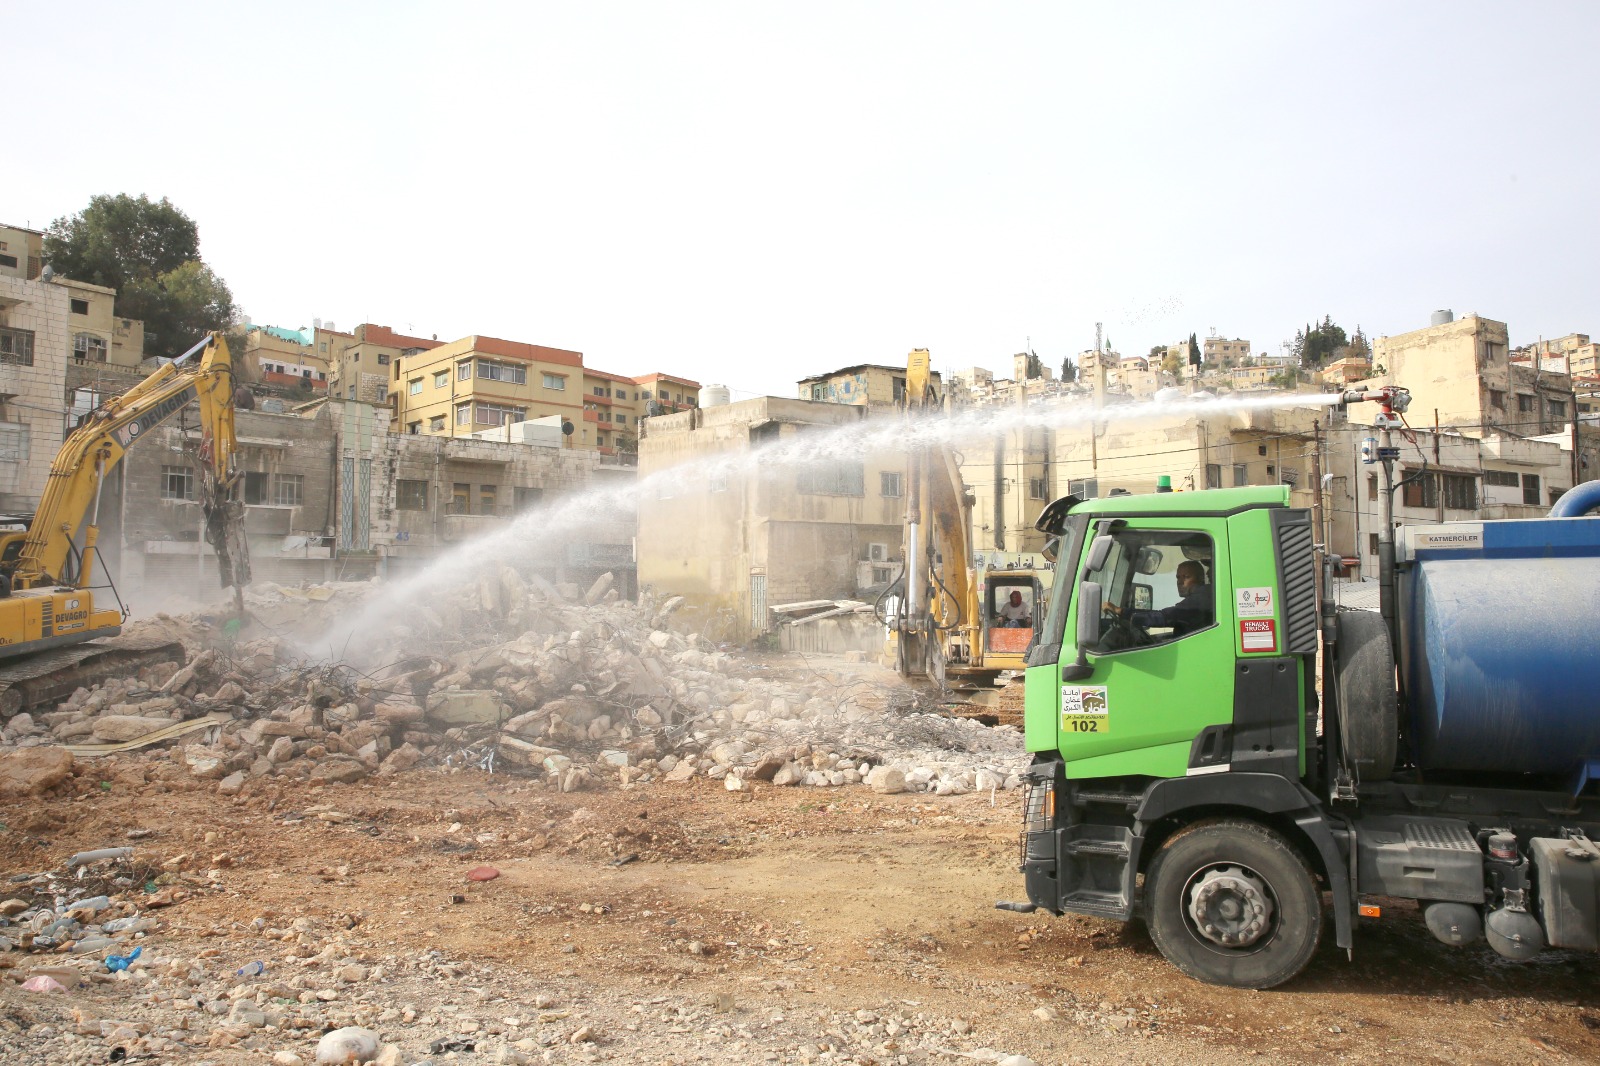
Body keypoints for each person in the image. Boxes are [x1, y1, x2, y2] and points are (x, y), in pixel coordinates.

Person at [1106, 560, 1213, 635]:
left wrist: (1120, 611)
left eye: (1186, 577)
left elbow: (1164, 617)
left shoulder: (1202, 597)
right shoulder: (1202, 596)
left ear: (1201, 579)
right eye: (1178, 577)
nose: (1180, 582)